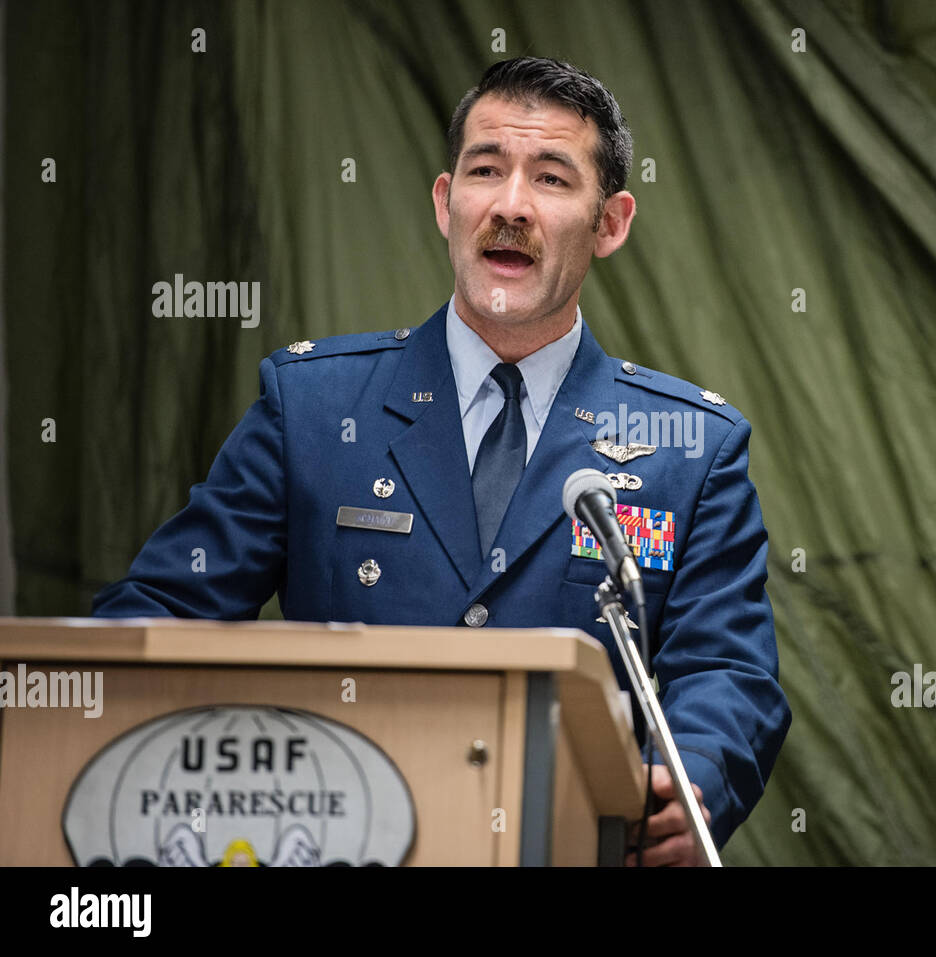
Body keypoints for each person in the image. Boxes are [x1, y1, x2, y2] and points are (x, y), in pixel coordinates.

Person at [93, 56, 791, 865]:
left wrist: (687, 775)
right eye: (485, 170)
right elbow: (163, 612)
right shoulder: (314, 409)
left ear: (611, 223)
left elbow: (727, 672)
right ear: (444, 201)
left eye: (553, 179)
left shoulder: (692, 448)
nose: (510, 205)